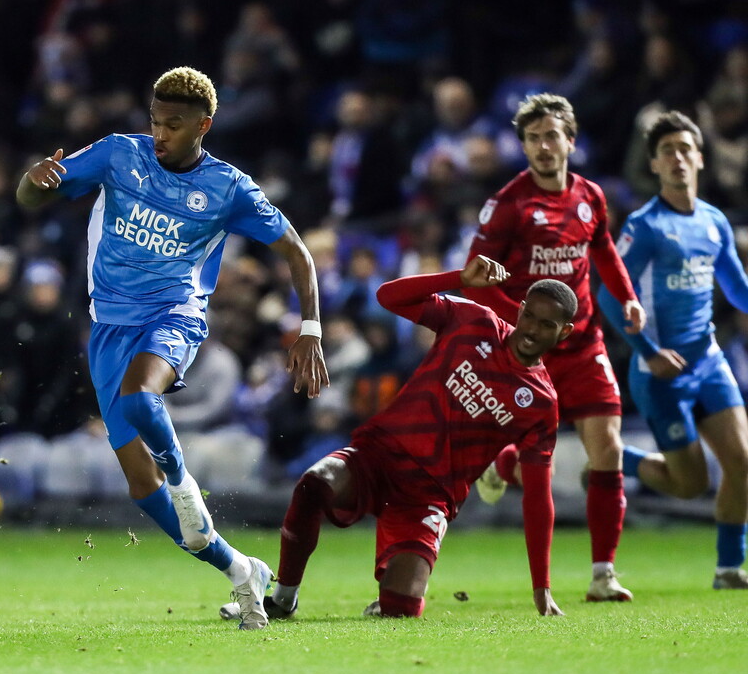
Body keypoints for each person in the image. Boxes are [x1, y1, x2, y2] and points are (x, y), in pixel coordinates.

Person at [16, 66, 329, 630]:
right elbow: (32, 196)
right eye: (156, 122)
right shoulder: (117, 154)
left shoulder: (228, 188)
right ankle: (241, 569)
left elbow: (297, 253)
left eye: (175, 125)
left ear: (204, 125)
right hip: (108, 328)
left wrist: (310, 329)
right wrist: (32, 179)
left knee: (141, 400)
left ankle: (185, 489)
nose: (160, 134)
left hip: (174, 317)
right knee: (140, 484)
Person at [220, 255, 574, 622]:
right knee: (314, 484)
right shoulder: (473, 320)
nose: (531, 329)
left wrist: (542, 586)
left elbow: (537, 495)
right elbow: (388, 297)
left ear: (565, 332)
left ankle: (393, 595)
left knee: (401, 611)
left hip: (430, 494)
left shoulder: (541, 403)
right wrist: (457, 277)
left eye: (546, 324)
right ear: (519, 310)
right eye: (529, 315)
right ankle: (283, 597)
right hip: (380, 454)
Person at [465, 93, 646, 602]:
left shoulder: (590, 196)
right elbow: (477, 272)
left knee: (606, 449)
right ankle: (503, 465)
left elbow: (603, 249)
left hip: (585, 345)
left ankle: (603, 574)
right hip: (527, 353)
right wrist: (518, 306)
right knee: (531, 459)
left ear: (571, 138)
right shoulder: (510, 204)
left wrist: (627, 299)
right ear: (523, 145)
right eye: (533, 138)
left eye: (552, 136)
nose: (544, 147)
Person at [597, 111, 748, 589]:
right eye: (668, 151)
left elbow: (738, 291)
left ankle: (728, 569)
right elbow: (607, 293)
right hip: (659, 371)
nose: (678, 158)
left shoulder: (713, 222)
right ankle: (617, 459)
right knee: (689, 485)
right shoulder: (645, 227)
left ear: (700, 158)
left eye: (686, 149)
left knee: (742, 462)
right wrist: (647, 350)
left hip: (708, 361)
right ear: (655, 165)